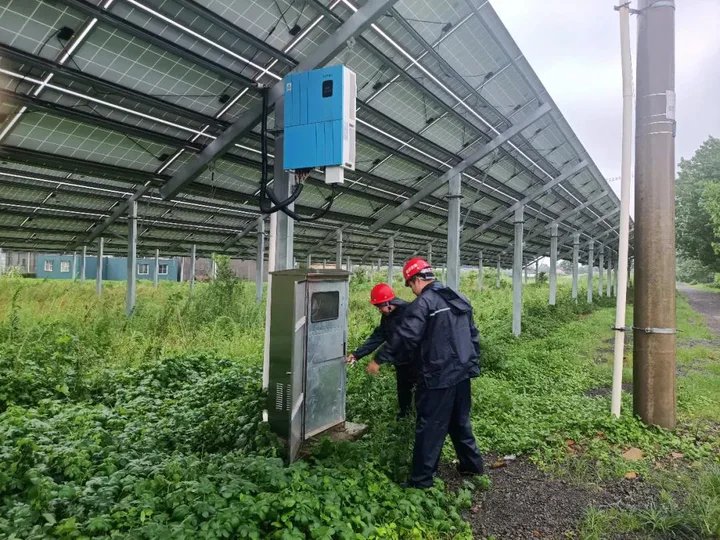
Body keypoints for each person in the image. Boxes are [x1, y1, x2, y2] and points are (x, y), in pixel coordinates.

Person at [376, 257, 484, 488]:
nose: (411, 290)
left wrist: (380, 358)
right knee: (459, 421)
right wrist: (471, 364)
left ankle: (421, 481)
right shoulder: (457, 297)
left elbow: (406, 337)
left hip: (439, 376)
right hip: (462, 374)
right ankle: (472, 466)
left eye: (409, 284)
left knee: (430, 427)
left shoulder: (424, 303)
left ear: (416, 280)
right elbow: (473, 336)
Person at [346, 283, 418, 418]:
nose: (379, 310)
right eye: (376, 306)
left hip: (417, 360)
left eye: (380, 306)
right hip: (401, 361)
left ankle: (420, 421)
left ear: (389, 302)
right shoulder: (388, 315)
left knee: (421, 392)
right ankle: (404, 416)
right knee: (403, 390)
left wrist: (379, 359)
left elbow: (399, 339)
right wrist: (357, 354)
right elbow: (379, 335)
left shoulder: (409, 312)